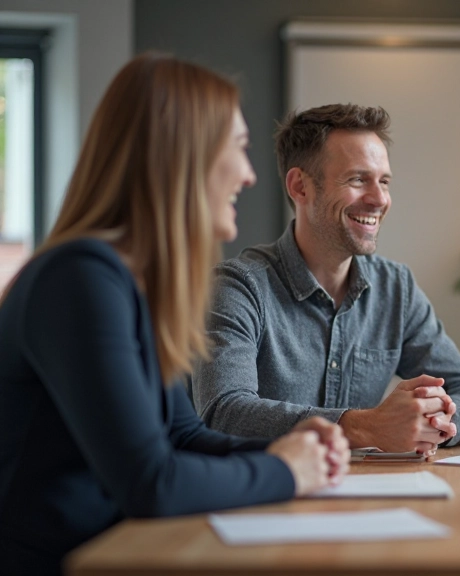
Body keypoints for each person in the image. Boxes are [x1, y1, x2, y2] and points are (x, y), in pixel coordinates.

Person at [0, 54, 349, 576]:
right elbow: (151, 483)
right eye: (238, 148)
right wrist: (283, 471)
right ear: (181, 156)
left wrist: (291, 446)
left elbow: (182, 436)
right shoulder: (78, 279)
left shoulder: (128, 285)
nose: (251, 175)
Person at [192, 103, 460, 454]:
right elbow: (223, 412)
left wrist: (432, 423)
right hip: (267, 499)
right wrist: (364, 427)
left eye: (384, 181)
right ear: (300, 187)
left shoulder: (396, 289)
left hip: (366, 498)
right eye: (357, 179)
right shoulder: (238, 287)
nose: (379, 199)